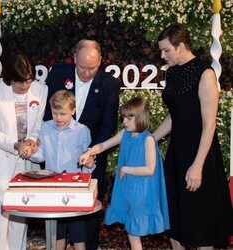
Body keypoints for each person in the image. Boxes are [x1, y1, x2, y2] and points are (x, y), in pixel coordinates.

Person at [153, 23, 233, 249]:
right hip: (177, 152)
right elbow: (175, 116)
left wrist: (197, 165)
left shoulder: (204, 73)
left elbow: (209, 125)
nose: (162, 55)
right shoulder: (172, 73)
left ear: (180, 46)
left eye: (166, 50)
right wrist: (151, 138)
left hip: (200, 154)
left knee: (200, 223)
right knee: (174, 218)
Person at [44, 39, 120, 249]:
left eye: (92, 68)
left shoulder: (110, 84)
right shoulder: (58, 74)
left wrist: (91, 152)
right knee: (57, 218)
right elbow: (47, 116)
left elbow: (108, 126)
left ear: (101, 61)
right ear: (74, 58)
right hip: (58, 162)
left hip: (92, 155)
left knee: (87, 218)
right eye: (82, 67)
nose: (87, 73)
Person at [79, 97, 170, 250]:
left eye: (129, 118)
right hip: (128, 189)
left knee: (133, 234)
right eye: (124, 118)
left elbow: (150, 169)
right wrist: (89, 152)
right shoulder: (126, 134)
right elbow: (104, 145)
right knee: (132, 234)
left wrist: (125, 169)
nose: (125, 122)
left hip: (141, 192)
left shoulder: (147, 139)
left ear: (140, 117)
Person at [0, 54, 48, 250]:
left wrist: (31, 140)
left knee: (20, 214)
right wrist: (16, 145)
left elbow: (38, 124)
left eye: (29, 80)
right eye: (20, 82)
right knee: (1, 216)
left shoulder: (41, 89)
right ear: (9, 79)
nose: (25, 86)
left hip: (26, 161)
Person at [23, 90, 94, 250]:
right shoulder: (46, 128)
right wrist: (32, 152)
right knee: (56, 233)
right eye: (55, 113)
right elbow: (41, 157)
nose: (58, 118)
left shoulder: (82, 131)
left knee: (78, 234)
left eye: (63, 114)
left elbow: (88, 157)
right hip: (52, 187)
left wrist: (89, 164)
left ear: (73, 111)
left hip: (75, 188)